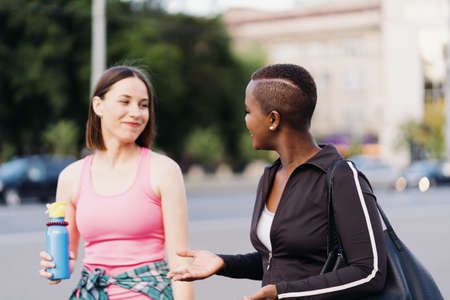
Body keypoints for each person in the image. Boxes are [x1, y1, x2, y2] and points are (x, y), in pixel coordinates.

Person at [168, 64, 387, 299]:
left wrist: (282, 293)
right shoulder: (270, 176)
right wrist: (222, 263)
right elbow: (277, 260)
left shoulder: (341, 177)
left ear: (273, 119)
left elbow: (370, 273)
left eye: (248, 111)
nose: (246, 120)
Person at [39, 65, 194, 300]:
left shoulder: (164, 170)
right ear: (98, 105)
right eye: (125, 101)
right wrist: (57, 267)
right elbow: (67, 254)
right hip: (91, 293)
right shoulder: (71, 177)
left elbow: (180, 260)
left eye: (143, 105)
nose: (136, 112)